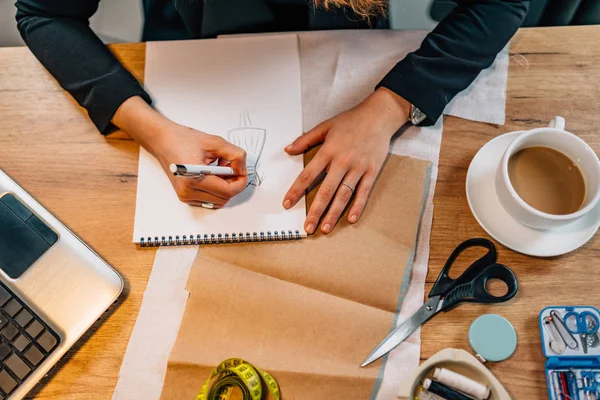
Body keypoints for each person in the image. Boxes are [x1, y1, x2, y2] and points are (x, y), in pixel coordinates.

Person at [15, 0, 529, 235]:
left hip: (348, 29)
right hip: (192, 40)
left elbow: (502, 2)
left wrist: (391, 104)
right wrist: (154, 130)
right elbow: (43, 12)